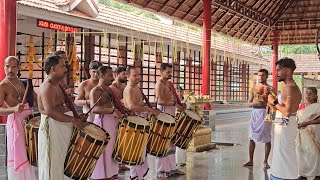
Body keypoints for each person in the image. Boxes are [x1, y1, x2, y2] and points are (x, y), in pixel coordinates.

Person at [38, 55, 85, 180]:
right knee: (52, 164)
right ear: (53, 68)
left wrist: (74, 115)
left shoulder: (57, 85)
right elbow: (50, 111)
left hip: (61, 127)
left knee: (61, 164)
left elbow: (61, 106)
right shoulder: (48, 86)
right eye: (63, 66)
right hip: (52, 128)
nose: (66, 68)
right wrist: (72, 120)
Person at [0, 56, 37, 180]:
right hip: (16, 125)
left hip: (29, 123)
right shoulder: (3, 86)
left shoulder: (25, 83)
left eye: (13, 66)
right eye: (7, 66)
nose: (10, 69)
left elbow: (38, 100)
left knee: (29, 157)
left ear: (18, 68)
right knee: (18, 157)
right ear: (4, 67)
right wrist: (13, 109)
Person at [123, 66, 160, 180]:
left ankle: (138, 176)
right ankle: (135, 177)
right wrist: (149, 110)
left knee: (141, 150)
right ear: (127, 76)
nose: (138, 77)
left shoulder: (136, 88)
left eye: (139, 74)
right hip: (134, 123)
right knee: (135, 150)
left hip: (141, 121)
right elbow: (131, 106)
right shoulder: (129, 89)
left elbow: (139, 104)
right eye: (135, 75)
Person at [267, 57, 302, 180]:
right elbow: (286, 108)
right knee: (281, 152)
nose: (276, 73)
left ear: (287, 71)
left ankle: (283, 176)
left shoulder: (290, 88)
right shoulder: (290, 86)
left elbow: (287, 112)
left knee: (285, 153)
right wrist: (274, 104)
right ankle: (281, 175)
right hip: (285, 124)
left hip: (286, 125)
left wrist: (274, 102)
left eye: (278, 70)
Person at [90, 66, 123, 180]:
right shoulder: (96, 90)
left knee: (113, 151)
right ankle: (102, 177)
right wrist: (112, 111)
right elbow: (94, 109)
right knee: (104, 152)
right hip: (103, 122)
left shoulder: (110, 90)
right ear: (102, 76)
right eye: (110, 75)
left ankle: (112, 175)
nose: (113, 78)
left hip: (112, 122)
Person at [155, 63, 186, 178]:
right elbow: (159, 101)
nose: (170, 74)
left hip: (172, 114)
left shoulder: (170, 84)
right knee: (163, 143)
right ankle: (161, 170)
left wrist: (180, 106)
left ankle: (172, 168)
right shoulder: (159, 85)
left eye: (170, 72)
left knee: (172, 143)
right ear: (161, 72)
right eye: (167, 72)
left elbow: (174, 99)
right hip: (163, 115)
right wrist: (173, 103)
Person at [243, 69, 275, 169]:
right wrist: (254, 104)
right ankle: (250, 160)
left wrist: (268, 103)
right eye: (259, 75)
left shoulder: (271, 89)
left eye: (263, 75)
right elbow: (248, 103)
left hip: (266, 113)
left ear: (267, 76)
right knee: (252, 137)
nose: (260, 77)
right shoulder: (253, 88)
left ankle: (265, 161)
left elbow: (275, 103)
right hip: (255, 113)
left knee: (267, 138)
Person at [296, 87, 320, 180]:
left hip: (313, 133)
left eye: (310, 93)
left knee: (314, 153)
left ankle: (317, 174)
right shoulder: (302, 106)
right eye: (306, 93)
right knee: (301, 153)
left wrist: (308, 123)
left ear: (315, 96)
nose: (308, 95)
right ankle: (303, 174)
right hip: (301, 133)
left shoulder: (317, 106)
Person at [109, 66, 130, 172]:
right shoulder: (111, 88)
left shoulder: (124, 86)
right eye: (123, 74)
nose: (126, 76)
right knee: (115, 140)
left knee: (122, 139)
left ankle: (121, 162)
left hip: (124, 115)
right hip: (115, 116)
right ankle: (115, 163)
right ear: (117, 75)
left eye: (126, 74)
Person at [175, 86, 191, 167]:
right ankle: (176, 161)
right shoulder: (174, 101)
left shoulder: (186, 101)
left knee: (182, 142)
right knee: (175, 142)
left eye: (181, 91)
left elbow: (188, 112)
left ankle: (182, 160)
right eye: (178, 91)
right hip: (175, 123)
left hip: (183, 123)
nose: (179, 93)